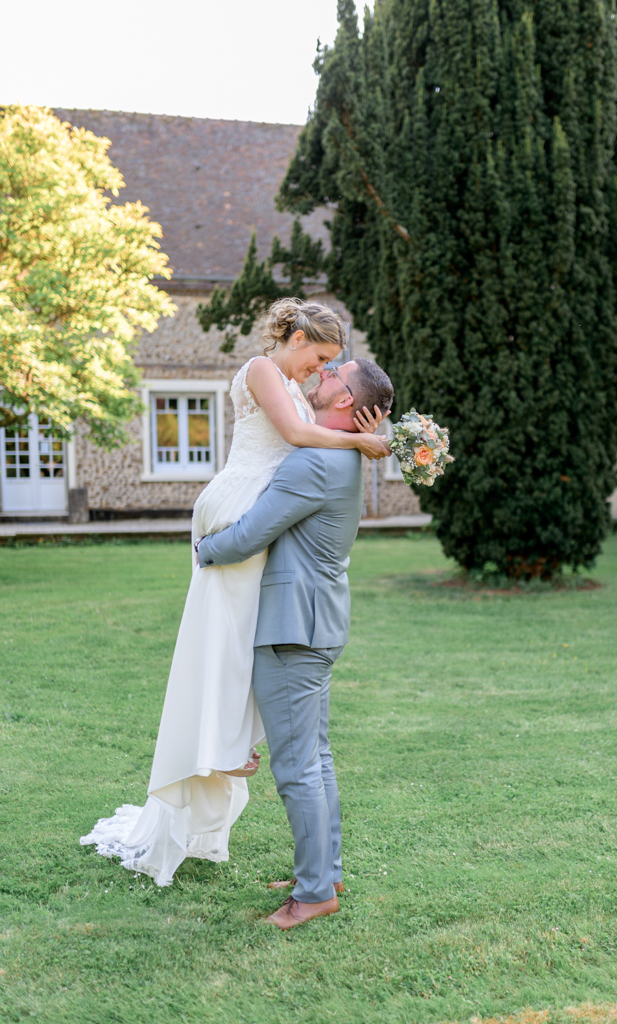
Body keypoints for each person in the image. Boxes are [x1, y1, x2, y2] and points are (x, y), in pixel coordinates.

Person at [81, 298, 392, 887]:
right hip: (272, 547)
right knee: (242, 652)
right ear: (297, 337)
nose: (321, 371)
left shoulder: (316, 449)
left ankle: (304, 866)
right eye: (321, 359)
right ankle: (238, 756)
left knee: (264, 684)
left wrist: (365, 433)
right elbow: (298, 433)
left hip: (281, 577)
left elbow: (291, 467)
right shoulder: (269, 378)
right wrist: (360, 442)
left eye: (331, 367)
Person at [195, 354, 394, 929]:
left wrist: (206, 548)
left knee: (298, 768)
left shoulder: (315, 462)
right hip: (317, 621)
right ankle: (324, 873)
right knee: (317, 758)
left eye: (334, 374)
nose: (320, 375)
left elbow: (252, 533)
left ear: (345, 401)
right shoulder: (341, 457)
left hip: (293, 628)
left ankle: (313, 894)